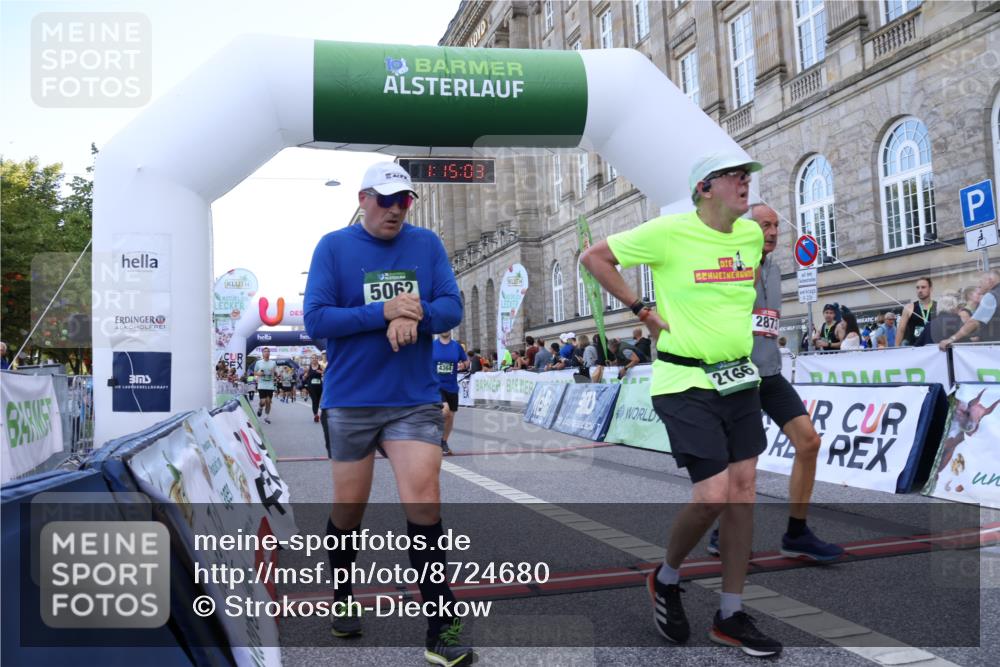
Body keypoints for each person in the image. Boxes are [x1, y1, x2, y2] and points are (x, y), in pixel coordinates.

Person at [581, 153, 782, 657]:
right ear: (704, 188)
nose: (744, 183)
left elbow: (739, 296)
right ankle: (666, 577)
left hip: (738, 378)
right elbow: (594, 257)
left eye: (747, 176)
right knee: (713, 494)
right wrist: (640, 308)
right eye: (735, 176)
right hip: (682, 379)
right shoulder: (668, 232)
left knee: (744, 492)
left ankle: (731, 614)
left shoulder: (751, 237)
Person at [303, 161, 471, 665]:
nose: (395, 209)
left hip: (412, 397)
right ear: (363, 199)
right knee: (348, 510)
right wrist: (384, 313)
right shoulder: (333, 246)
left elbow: (452, 306)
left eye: (404, 200)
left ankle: (442, 626)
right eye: (385, 199)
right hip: (351, 398)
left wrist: (412, 316)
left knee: (424, 502)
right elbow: (316, 320)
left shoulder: (427, 245)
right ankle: (341, 596)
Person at [706, 204, 843, 565]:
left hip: (769, 372)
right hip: (737, 376)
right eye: (764, 225)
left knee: (809, 442)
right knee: (742, 463)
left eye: (776, 225)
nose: (772, 231)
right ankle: (723, 532)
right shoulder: (731, 265)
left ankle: (796, 534)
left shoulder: (776, 268)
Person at [939, 269, 1000, 348]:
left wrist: (951, 339)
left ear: (990, 280)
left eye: (981, 282)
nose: (979, 285)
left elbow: (973, 323)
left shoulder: (991, 296)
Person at [433, 330, 468, 455]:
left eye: (447, 327)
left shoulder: (456, 346)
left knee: (450, 416)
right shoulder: (432, 346)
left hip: (452, 386)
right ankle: (434, 438)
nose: (445, 329)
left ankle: (443, 441)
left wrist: (463, 365)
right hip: (437, 385)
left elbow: (466, 361)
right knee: (445, 411)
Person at [897, 277, 936, 346]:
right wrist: (896, 348)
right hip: (915, 349)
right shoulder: (909, 308)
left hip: (934, 349)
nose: (920, 290)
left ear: (930, 289)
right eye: (917, 288)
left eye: (923, 287)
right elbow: (901, 330)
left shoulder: (938, 307)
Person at [253, 347, 277, 424]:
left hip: (270, 385)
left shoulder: (273, 363)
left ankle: (266, 417)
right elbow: (254, 373)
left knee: (268, 401)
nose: (267, 353)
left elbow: (274, 374)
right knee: (263, 401)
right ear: (262, 353)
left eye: (268, 352)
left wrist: (273, 373)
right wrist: (259, 374)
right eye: (265, 351)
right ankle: (260, 408)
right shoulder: (258, 362)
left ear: (269, 353)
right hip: (262, 384)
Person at [304, 357, 324, 422]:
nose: (314, 359)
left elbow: (326, 372)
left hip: (319, 386)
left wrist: (321, 372)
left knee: (317, 401)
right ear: (311, 360)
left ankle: (316, 413)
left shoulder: (320, 366)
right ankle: (316, 415)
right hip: (311, 386)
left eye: (315, 358)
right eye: (312, 358)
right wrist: (305, 375)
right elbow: (304, 377)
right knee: (314, 400)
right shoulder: (308, 368)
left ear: (317, 359)